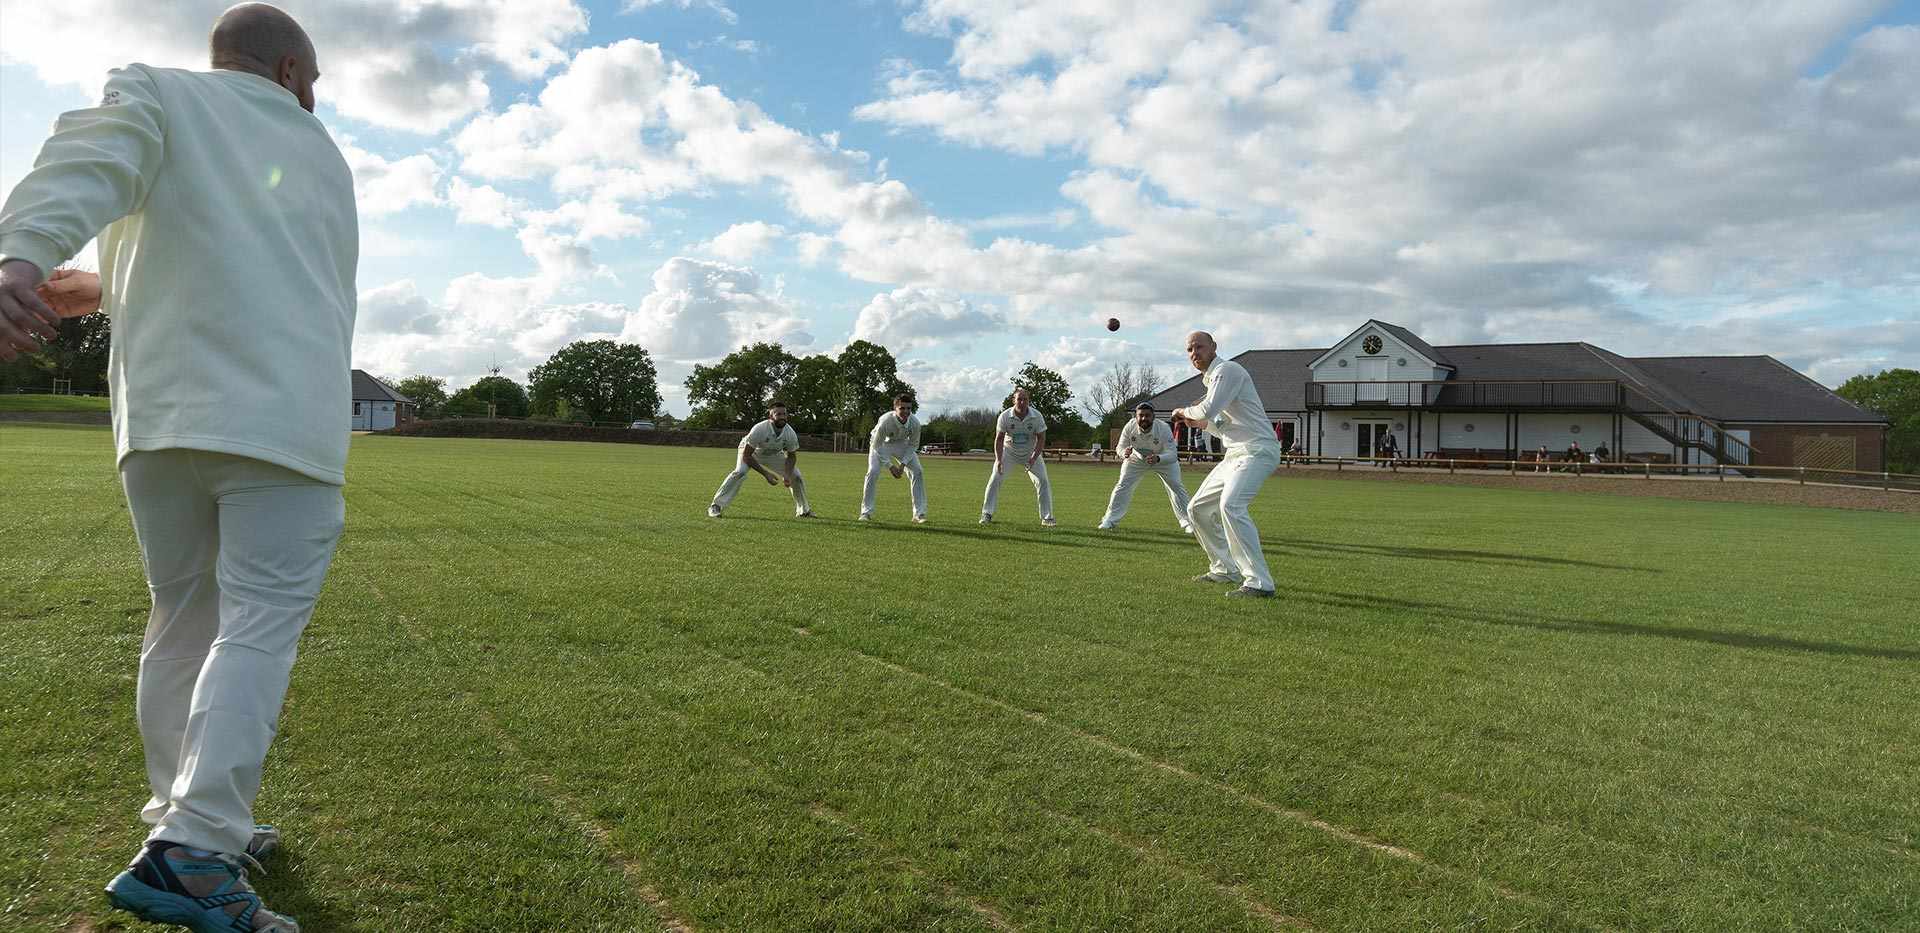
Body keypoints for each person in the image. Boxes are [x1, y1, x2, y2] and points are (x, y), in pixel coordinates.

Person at [0, 6, 351, 929]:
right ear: (288, 70)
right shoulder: (321, 153)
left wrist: (31, 260)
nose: (312, 103)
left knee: (183, 618)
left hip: (160, 421)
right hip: (283, 427)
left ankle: (186, 812)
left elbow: (103, 169)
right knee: (258, 623)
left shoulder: (161, 98)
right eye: (311, 84)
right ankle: (195, 848)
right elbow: (255, 256)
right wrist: (20, 260)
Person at [1171, 332, 1284, 598]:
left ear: (1214, 347)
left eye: (1199, 346)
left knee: (1231, 506)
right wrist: (1201, 424)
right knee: (1197, 509)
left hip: (1258, 450)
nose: (1194, 353)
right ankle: (1224, 568)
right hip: (1235, 454)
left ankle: (1259, 582)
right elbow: (1221, 426)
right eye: (1189, 349)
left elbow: (1206, 409)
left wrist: (1184, 412)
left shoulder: (1227, 369)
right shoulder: (1212, 380)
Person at [1098, 403, 1193, 533]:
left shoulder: (1163, 428)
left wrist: (1158, 458)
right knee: (1122, 486)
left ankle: (1188, 522)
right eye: (1141, 415)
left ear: (1153, 417)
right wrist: (1123, 453)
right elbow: (1120, 447)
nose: (1144, 418)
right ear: (1136, 417)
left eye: (1147, 416)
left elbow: (1172, 455)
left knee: (1176, 487)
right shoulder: (1130, 426)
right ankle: (1109, 520)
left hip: (1162, 460)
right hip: (1136, 459)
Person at [709, 400, 813, 518]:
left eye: (784, 414)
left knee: (796, 476)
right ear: (770, 416)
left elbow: (792, 456)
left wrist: (787, 475)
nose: (782, 417)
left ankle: (804, 511)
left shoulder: (790, 433)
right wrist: (766, 474)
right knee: (740, 472)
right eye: (778, 414)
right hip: (751, 452)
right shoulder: (760, 429)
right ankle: (716, 505)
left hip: (773, 454)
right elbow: (747, 455)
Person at [980, 387, 1055, 525]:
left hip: (1030, 453)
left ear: (1028, 401)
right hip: (1009, 452)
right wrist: (998, 460)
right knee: (995, 478)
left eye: (1025, 399)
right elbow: (999, 439)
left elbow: (1041, 439)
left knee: (1043, 481)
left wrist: (1033, 458)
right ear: (1014, 400)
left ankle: (1047, 518)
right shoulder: (1004, 416)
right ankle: (986, 514)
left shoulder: (1037, 416)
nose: (1022, 402)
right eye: (1019, 399)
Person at [860, 394, 926, 523]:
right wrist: (891, 467)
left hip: (901, 443)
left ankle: (919, 514)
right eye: (902, 408)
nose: (906, 412)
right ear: (895, 408)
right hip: (880, 444)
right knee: (873, 472)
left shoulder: (915, 423)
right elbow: (877, 446)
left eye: (908, 408)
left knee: (917, 471)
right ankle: (866, 513)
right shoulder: (885, 421)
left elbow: (913, 445)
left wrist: (902, 465)